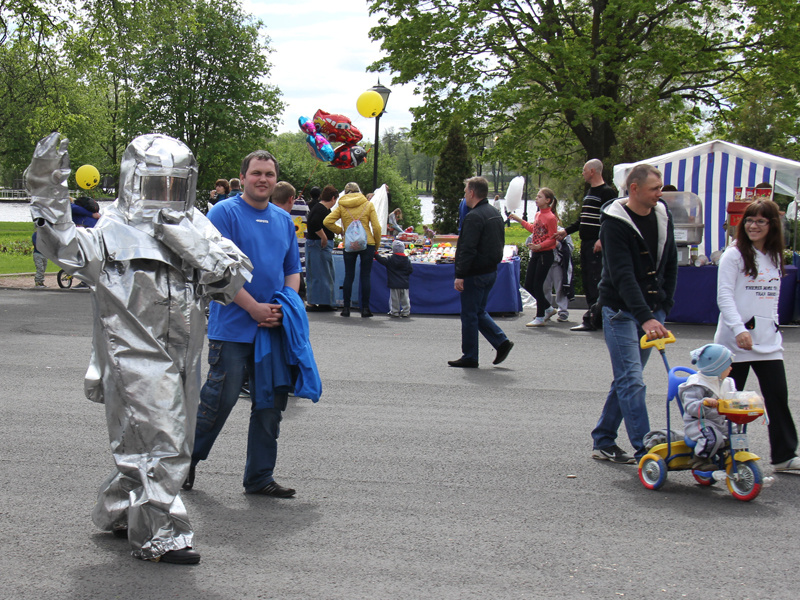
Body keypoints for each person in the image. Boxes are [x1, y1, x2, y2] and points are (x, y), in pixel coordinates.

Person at [25, 132, 251, 564]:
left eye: (175, 184)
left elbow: (232, 278)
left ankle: (118, 509)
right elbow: (61, 244)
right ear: (135, 181)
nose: (166, 194)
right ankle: (160, 534)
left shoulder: (194, 223)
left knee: (161, 435)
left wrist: (194, 247)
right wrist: (46, 188)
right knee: (164, 440)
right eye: (156, 184)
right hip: (132, 353)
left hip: (185, 354)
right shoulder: (112, 230)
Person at [184, 150, 321, 498]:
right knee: (219, 401)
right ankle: (183, 463)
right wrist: (253, 308)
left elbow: (292, 269)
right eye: (257, 173)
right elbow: (215, 269)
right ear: (243, 177)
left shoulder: (283, 219)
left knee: (270, 405)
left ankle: (260, 477)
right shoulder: (224, 213)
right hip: (233, 326)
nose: (263, 179)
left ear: (276, 180)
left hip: (272, 328)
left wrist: (283, 306)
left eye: (269, 174)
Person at [590, 164, 678, 464]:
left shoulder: (662, 214)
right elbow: (623, 275)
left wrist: (664, 306)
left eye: (660, 188)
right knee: (632, 380)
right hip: (620, 311)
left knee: (628, 378)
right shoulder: (614, 223)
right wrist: (646, 316)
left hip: (651, 311)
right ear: (635, 189)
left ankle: (603, 439)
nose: (659, 193)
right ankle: (646, 449)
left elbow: (670, 263)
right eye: (655, 188)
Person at [714, 199, 800, 472]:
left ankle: (784, 456)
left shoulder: (774, 255)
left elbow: (771, 299)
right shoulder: (734, 254)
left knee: (777, 397)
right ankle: (716, 452)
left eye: (760, 221)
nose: (753, 226)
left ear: (772, 225)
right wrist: (739, 329)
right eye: (749, 220)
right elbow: (724, 296)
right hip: (735, 342)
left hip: (767, 342)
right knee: (728, 402)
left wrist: (773, 327)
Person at [448, 176, 513, 368]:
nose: (464, 196)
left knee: (470, 314)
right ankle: (501, 342)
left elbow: (467, 249)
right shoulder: (494, 213)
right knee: (478, 311)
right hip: (490, 270)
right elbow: (499, 243)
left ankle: (470, 356)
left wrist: (460, 274)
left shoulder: (473, 216)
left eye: (465, 191)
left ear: (472, 192)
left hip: (475, 272)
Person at [556, 159, 617, 332]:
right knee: (588, 278)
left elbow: (611, 219)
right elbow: (583, 219)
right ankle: (595, 315)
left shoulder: (607, 192)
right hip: (586, 242)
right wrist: (566, 231)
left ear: (592, 171)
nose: (582, 173)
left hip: (596, 244)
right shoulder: (590, 192)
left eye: (584, 170)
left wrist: (602, 238)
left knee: (595, 280)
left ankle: (594, 318)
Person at [323, 182, 382, 318]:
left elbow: (327, 221)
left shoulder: (342, 206)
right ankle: (365, 309)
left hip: (349, 244)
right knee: (365, 276)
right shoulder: (368, 204)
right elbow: (377, 227)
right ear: (359, 191)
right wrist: (376, 245)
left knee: (349, 275)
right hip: (367, 243)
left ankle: (346, 309)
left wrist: (341, 231)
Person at [679, 344, 736, 471]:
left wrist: (745, 401)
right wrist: (704, 402)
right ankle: (700, 460)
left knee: (736, 430)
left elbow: (733, 398)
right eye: (727, 366)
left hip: (719, 421)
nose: (731, 368)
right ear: (717, 368)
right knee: (711, 438)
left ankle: (728, 454)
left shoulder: (726, 382)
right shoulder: (696, 385)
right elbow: (690, 406)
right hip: (699, 422)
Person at [508, 188, 559, 327]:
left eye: (539, 197)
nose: (536, 199)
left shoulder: (551, 217)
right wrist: (519, 219)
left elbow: (553, 239)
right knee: (529, 285)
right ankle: (548, 308)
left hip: (545, 254)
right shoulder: (538, 214)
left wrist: (539, 246)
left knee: (537, 285)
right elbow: (534, 229)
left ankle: (540, 316)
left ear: (548, 200)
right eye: (536, 196)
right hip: (536, 253)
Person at [305, 184, 338, 310]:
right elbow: (313, 223)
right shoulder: (321, 209)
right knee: (320, 274)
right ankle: (315, 302)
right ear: (333, 198)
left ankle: (322, 301)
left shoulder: (320, 208)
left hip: (318, 244)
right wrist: (323, 237)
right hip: (318, 244)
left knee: (322, 273)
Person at [375, 239, 413, 317]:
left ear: (394, 249)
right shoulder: (407, 260)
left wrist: (375, 254)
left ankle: (395, 311)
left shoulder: (390, 259)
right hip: (404, 283)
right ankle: (406, 311)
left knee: (394, 299)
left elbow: (382, 260)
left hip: (393, 283)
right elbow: (410, 270)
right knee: (405, 299)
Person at [542, 233, 574, 322]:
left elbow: (570, 248)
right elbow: (530, 242)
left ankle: (563, 311)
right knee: (544, 288)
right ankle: (546, 309)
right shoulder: (540, 230)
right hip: (544, 263)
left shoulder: (562, 232)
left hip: (558, 264)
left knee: (560, 288)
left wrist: (559, 245)